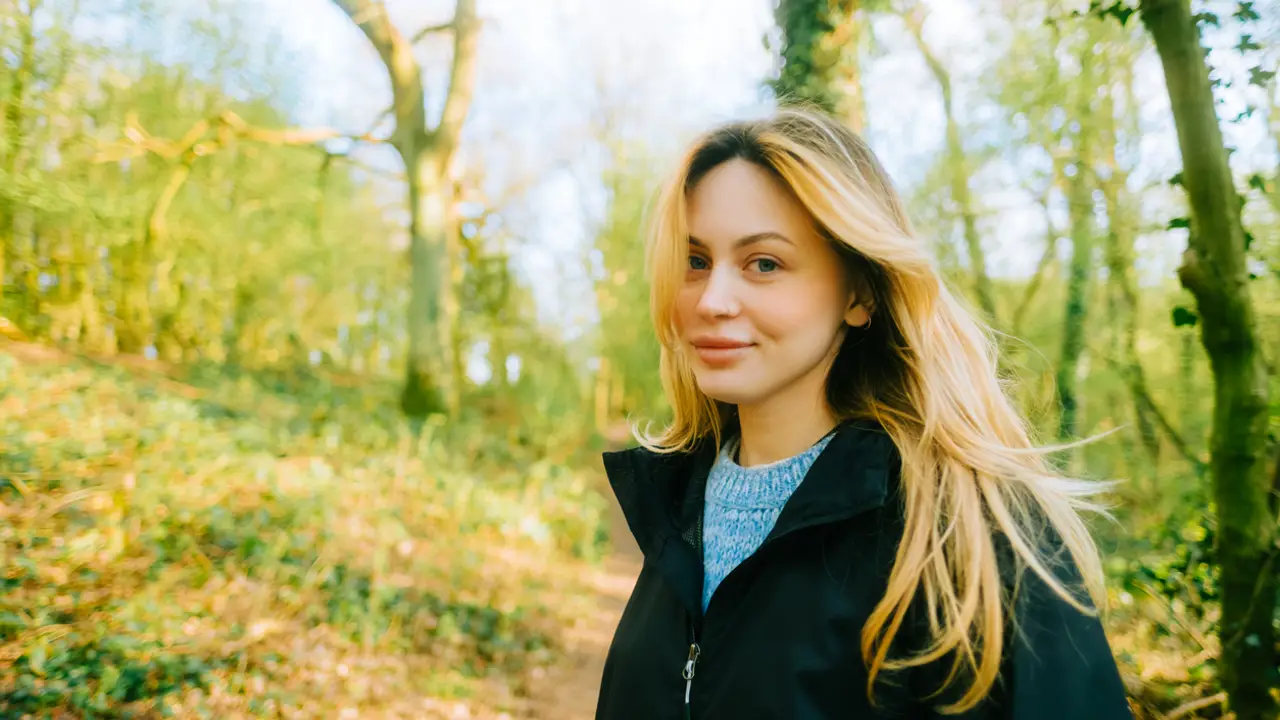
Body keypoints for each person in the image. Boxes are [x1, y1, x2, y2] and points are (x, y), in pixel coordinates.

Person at [594, 107, 1132, 719]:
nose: (711, 300)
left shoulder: (974, 532)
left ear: (860, 293)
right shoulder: (676, 508)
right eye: (695, 261)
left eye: (763, 264)